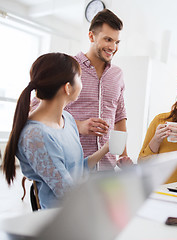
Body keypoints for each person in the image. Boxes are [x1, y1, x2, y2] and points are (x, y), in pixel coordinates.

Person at [3, 53, 110, 209]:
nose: (82, 83)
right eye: (79, 77)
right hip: (59, 220)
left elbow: (78, 170)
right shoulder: (34, 136)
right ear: (67, 87)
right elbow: (67, 191)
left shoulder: (67, 118)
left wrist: (107, 148)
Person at [30, 9, 132, 170]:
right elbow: (35, 110)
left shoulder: (117, 75)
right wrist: (78, 125)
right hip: (70, 166)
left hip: (107, 167)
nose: (113, 47)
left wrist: (123, 155)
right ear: (91, 36)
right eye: (108, 39)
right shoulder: (67, 68)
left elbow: (119, 116)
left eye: (117, 42)